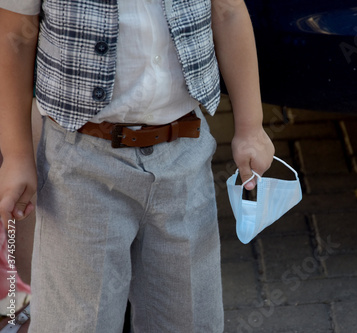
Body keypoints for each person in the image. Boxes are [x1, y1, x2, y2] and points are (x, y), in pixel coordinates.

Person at [0, 0, 274, 332]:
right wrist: (16, 155)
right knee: (79, 320)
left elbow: (228, 11)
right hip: (81, 165)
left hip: (183, 155)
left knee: (187, 317)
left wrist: (250, 126)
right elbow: (15, 35)